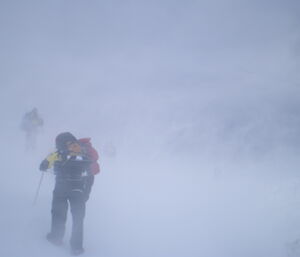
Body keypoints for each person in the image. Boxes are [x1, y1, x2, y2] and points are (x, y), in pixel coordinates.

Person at [39, 132, 99, 256]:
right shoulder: (84, 155)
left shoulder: (59, 153)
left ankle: (56, 238)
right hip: (79, 191)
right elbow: (91, 177)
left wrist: (45, 165)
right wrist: (86, 194)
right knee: (78, 219)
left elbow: (43, 165)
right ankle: (76, 247)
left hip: (61, 189)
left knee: (58, 214)